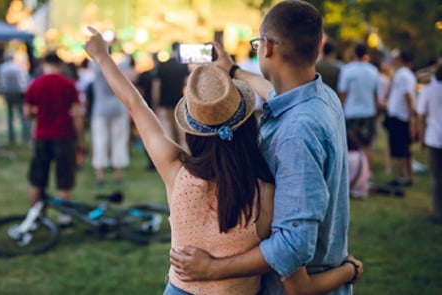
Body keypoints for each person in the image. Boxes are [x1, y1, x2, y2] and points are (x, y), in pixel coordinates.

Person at [85, 26, 362, 295]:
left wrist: (102, 57)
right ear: (246, 124)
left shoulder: (175, 171)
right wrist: (233, 72)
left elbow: (135, 104)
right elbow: (288, 266)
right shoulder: (266, 190)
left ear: (193, 131)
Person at [169, 1, 355, 294]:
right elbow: (275, 92)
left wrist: (212, 268)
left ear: (266, 47)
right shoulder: (322, 96)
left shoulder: (296, 133)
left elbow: (292, 247)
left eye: (257, 43)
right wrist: (232, 70)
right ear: (318, 47)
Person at [23, 51, 84, 226]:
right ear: (61, 65)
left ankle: (35, 217)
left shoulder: (35, 84)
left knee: (37, 179)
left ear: (43, 64)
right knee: (64, 179)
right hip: (64, 136)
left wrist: (38, 111)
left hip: (42, 136)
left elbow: (27, 113)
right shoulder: (69, 84)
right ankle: (64, 218)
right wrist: (80, 140)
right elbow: (77, 114)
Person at [89, 52, 132, 184]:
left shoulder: (97, 68)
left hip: (100, 109)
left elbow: (92, 58)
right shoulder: (119, 68)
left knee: (99, 141)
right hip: (118, 108)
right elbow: (127, 59)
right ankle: (118, 174)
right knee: (119, 141)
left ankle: (100, 175)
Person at [338, 43, 379, 171]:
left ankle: (353, 174)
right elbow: (375, 94)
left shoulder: (347, 70)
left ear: (354, 54)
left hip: (351, 112)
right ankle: (367, 175)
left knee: (351, 147)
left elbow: (342, 93)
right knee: (367, 146)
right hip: (368, 112)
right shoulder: (373, 70)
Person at [384, 49, 417, 187]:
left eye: (396, 58)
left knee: (401, 148)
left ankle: (402, 176)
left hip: (401, 116)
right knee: (401, 147)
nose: (393, 60)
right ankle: (406, 175)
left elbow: (408, 96)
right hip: (397, 114)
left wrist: (411, 118)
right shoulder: (400, 74)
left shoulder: (404, 76)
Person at [152, 42, 190, 149]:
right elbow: (187, 85)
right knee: (182, 132)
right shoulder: (183, 67)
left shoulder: (162, 66)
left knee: (168, 132)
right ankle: (184, 154)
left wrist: (156, 103)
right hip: (179, 102)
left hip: (164, 103)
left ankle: (172, 154)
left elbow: (156, 87)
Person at [417, 65, 442, 224]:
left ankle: (437, 212)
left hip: (434, 138)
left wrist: (421, 138)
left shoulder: (429, 90)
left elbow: (421, 115)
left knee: (437, 178)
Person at [0, 51, 31, 145]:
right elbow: (25, 80)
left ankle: (12, 138)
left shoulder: (2, 68)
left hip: (8, 93)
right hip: (20, 93)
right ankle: (26, 136)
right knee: (23, 115)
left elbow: (1, 82)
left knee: (10, 116)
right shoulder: (19, 67)